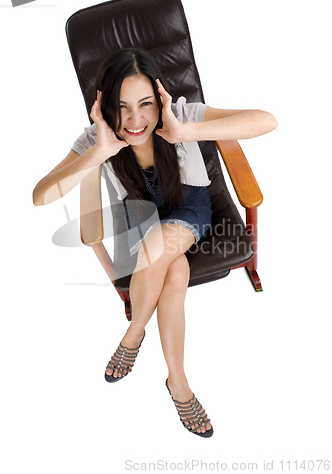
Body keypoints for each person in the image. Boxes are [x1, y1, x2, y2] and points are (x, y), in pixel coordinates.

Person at [33, 48, 278, 437]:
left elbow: (268, 121)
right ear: (103, 105)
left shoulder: (181, 114)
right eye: (122, 107)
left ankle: (134, 334)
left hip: (188, 207)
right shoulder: (97, 138)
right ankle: (177, 383)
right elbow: (40, 196)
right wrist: (97, 152)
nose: (135, 120)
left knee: (158, 245)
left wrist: (186, 133)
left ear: (159, 98)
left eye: (146, 104)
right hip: (138, 219)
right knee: (175, 273)